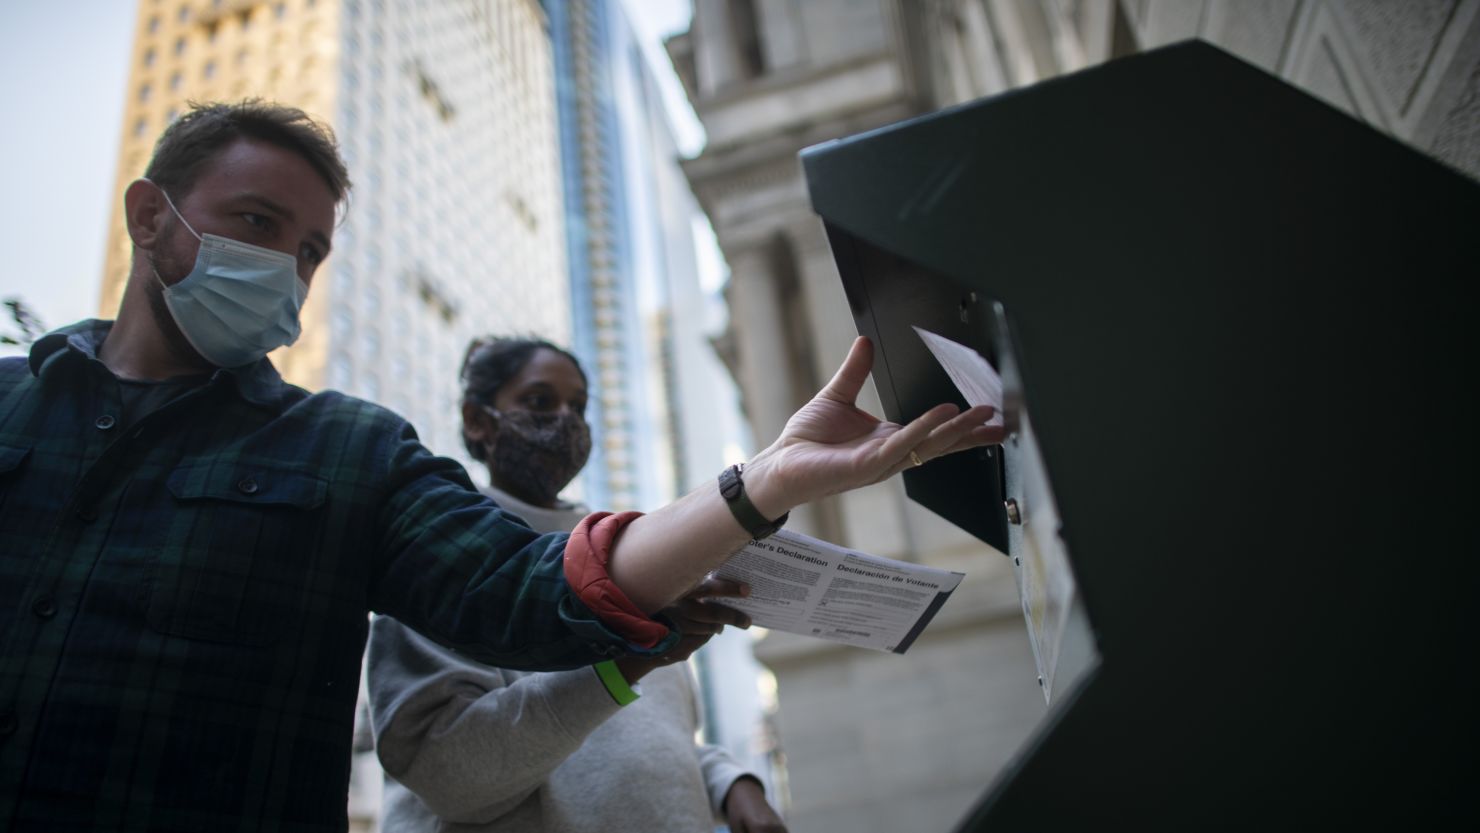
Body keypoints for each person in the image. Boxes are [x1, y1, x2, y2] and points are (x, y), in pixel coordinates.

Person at [0, 100, 1000, 831]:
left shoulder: (347, 452)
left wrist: (768, 480)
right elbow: (457, 763)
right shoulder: (13, 407)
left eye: (310, 250)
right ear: (148, 216)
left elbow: (532, 590)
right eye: (259, 223)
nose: (286, 269)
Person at [368, 336, 787, 833]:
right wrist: (633, 657)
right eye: (540, 401)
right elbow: (449, 773)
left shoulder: (630, 555)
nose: (566, 420)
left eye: (580, 407)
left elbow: (643, 732)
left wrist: (732, 784)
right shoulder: (437, 554)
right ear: (477, 420)